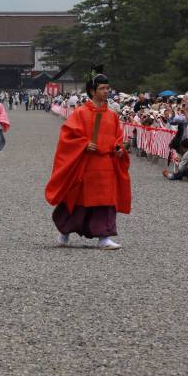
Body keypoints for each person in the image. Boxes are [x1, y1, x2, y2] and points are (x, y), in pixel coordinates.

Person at [45, 71, 131, 250]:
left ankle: (104, 237)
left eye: (108, 88)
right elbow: (67, 136)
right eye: (102, 88)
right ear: (92, 91)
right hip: (86, 164)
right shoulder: (80, 112)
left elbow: (118, 137)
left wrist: (119, 148)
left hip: (106, 163)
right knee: (78, 199)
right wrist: (83, 144)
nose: (106, 91)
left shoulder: (112, 115)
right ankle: (64, 232)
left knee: (106, 200)